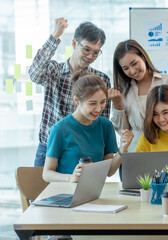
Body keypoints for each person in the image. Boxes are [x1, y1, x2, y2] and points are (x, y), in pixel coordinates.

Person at [29, 18, 111, 167]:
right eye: (86, 49)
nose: (90, 56)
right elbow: (34, 73)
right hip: (48, 149)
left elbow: (102, 124)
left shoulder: (101, 80)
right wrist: (55, 35)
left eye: (95, 52)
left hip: (82, 153)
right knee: (44, 191)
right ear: (74, 44)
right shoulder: (54, 70)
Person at [43, 73, 134, 182]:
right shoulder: (59, 130)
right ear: (77, 100)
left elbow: (109, 172)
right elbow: (47, 174)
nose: (98, 109)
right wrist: (71, 177)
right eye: (92, 103)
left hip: (94, 192)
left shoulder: (106, 126)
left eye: (103, 102)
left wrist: (123, 148)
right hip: (66, 192)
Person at [109, 39, 168, 152]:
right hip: (135, 150)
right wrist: (118, 105)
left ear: (143, 57)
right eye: (126, 68)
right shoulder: (122, 91)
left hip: (165, 146)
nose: (132, 71)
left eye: (134, 63)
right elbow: (123, 131)